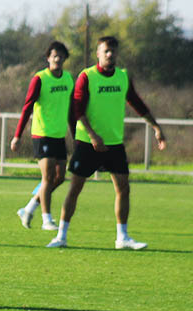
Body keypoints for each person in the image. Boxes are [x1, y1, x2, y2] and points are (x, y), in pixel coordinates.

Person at [46, 36, 167, 249]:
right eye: (106, 51)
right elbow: (78, 110)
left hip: (114, 143)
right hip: (87, 143)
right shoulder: (87, 76)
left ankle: (123, 237)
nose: (110, 55)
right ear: (98, 54)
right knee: (75, 188)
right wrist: (92, 135)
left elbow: (137, 103)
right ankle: (61, 236)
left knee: (123, 188)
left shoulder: (123, 77)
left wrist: (156, 127)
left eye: (113, 51)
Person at [11, 41, 74, 231]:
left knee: (60, 177)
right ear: (48, 58)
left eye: (61, 55)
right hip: (42, 134)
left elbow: (71, 110)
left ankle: (29, 208)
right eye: (54, 55)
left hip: (58, 135)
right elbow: (27, 107)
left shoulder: (69, 79)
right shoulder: (40, 79)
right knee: (47, 178)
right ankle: (47, 219)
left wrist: (75, 133)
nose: (57, 58)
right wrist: (17, 135)